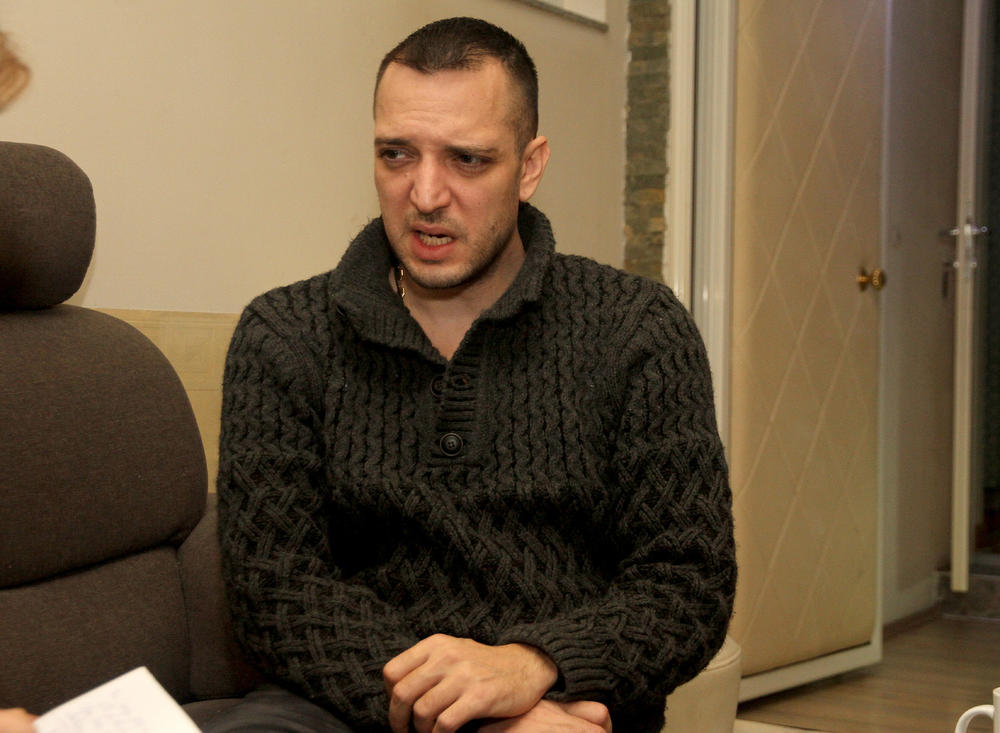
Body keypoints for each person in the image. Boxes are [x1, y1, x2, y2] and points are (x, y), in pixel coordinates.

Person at [210, 16, 735, 733]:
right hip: (349, 704)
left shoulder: (637, 329)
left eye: (467, 160)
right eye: (397, 154)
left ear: (529, 166)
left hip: (565, 703)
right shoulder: (285, 335)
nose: (425, 194)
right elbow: (276, 591)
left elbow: (688, 583)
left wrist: (531, 664)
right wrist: (473, 713)